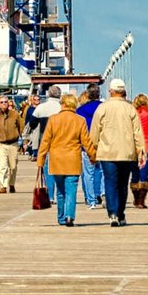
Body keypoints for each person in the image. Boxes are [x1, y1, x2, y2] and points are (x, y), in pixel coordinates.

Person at [91, 78, 147, 227]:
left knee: (110, 182)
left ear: (111, 91)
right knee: (123, 184)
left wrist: (92, 150)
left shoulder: (102, 108)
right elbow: (138, 132)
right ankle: (121, 213)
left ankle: (113, 213)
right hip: (127, 152)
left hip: (107, 152)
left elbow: (95, 131)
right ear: (123, 92)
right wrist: (141, 151)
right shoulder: (130, 109)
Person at [37, 94, 98, 227]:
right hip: (73, 160)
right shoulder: (80, 120)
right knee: (71, 189)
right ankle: (70, 216)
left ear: (63, 104)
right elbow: (86, 142)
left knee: (60, 191)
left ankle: (61, 217)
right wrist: (93, 156)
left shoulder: (53, 119)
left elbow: (45, 141)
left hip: (57, 160)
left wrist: (40, 160)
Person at [76, 85, 105, 210]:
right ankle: (103, 194)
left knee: (88, 173)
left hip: (86, 145)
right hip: (103, 144)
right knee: (104, 172)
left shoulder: (80, 110)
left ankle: (91, 200)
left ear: (87, 95)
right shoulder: (104, 108)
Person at [0, 95, 23, 194]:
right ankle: (3, 185)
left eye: (5, 102)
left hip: (13, 144)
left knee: (13, 166)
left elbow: (21, 128)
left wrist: (24, 142)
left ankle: (11, 184)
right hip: (1, 144)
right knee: (3, 165)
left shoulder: (15, 115)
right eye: (2, 102)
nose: (4, 104)